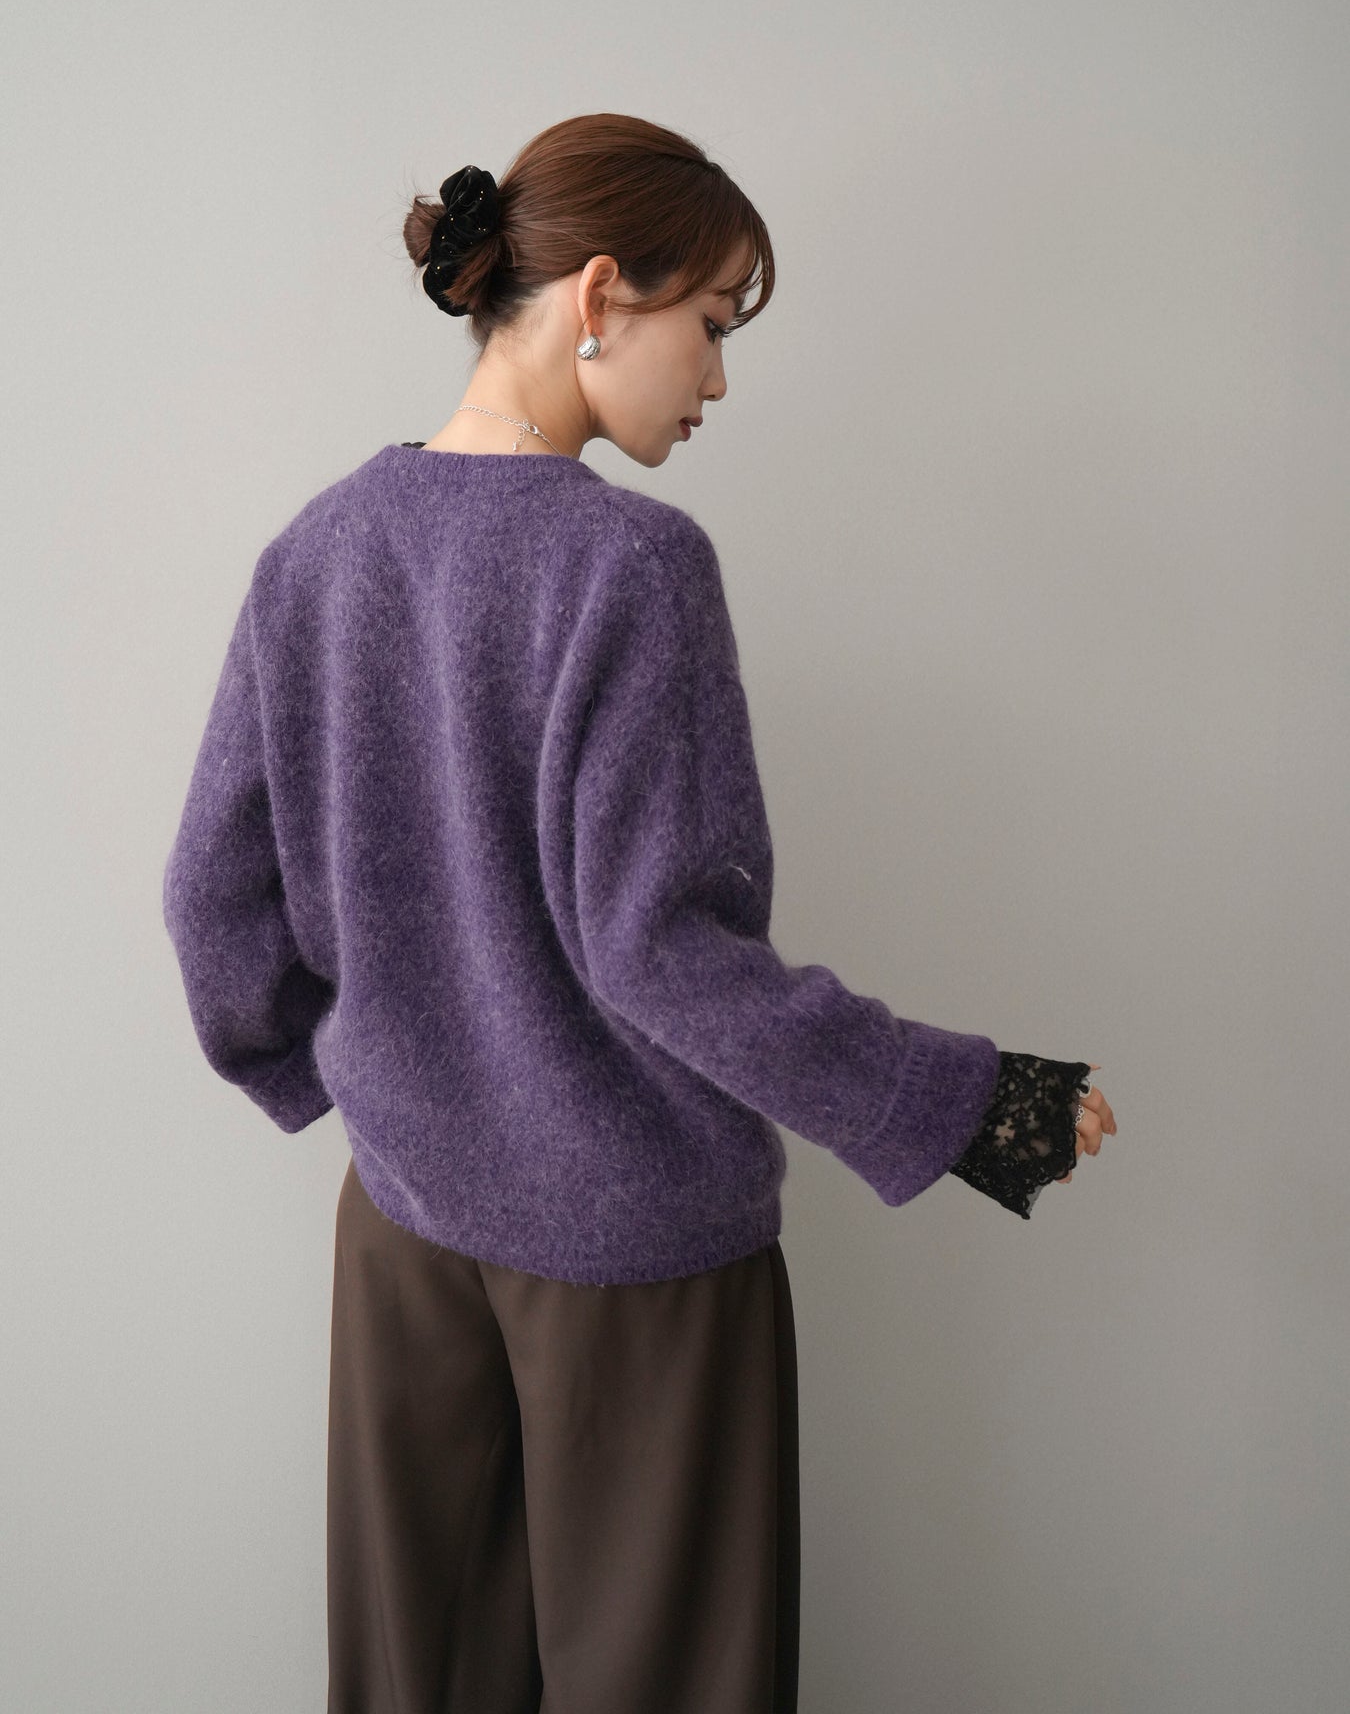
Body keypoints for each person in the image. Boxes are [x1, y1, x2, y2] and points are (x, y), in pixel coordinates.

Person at [161, 112, 1117, 1714]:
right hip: (637, 1258)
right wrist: (962, 1105)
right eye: (713, 323)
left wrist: (367, 1076)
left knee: (415, 1682)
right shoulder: (629, 567)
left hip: (399, 1225)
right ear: (601, 294)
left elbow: (212, 904)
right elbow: (659, 954)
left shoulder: (315, 551)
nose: (718, 379)